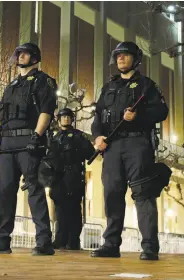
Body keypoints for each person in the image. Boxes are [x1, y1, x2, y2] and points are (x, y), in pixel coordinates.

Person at [91, 42, 168, 261]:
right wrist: (98, 137)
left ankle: (150, 246)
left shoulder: (147, 86)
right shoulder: (109, 87)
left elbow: (162, 111)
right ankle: (111, 244)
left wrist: (139, 117)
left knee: (143, 193)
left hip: (138, 145)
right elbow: (98, 118)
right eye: (118, 56)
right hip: (113, 148)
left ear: (135, 59)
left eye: (125, 56)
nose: (120, 59)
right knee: (112, 193)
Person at [0, 43, 57, 255]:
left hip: (29, 142)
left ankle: (44, 242)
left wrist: (36, 136)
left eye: (24, 54)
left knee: (34, 190)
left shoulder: (43, 81)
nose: (20, 57)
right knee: (4, 191)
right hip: (7, 145)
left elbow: (46, 111)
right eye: (18, 54)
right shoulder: (11, 85)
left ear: (34, 57)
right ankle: (1, 240)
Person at [47, 108, 93, 250]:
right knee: (60, 208)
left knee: (73, 208)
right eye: (63, 117)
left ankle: (73, 240)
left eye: (68, 117)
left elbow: (90, 154)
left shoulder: (79, 136)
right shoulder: (54, 137)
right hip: (58, 176)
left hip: (73, 175)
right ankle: (60, 238)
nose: (65, 119)